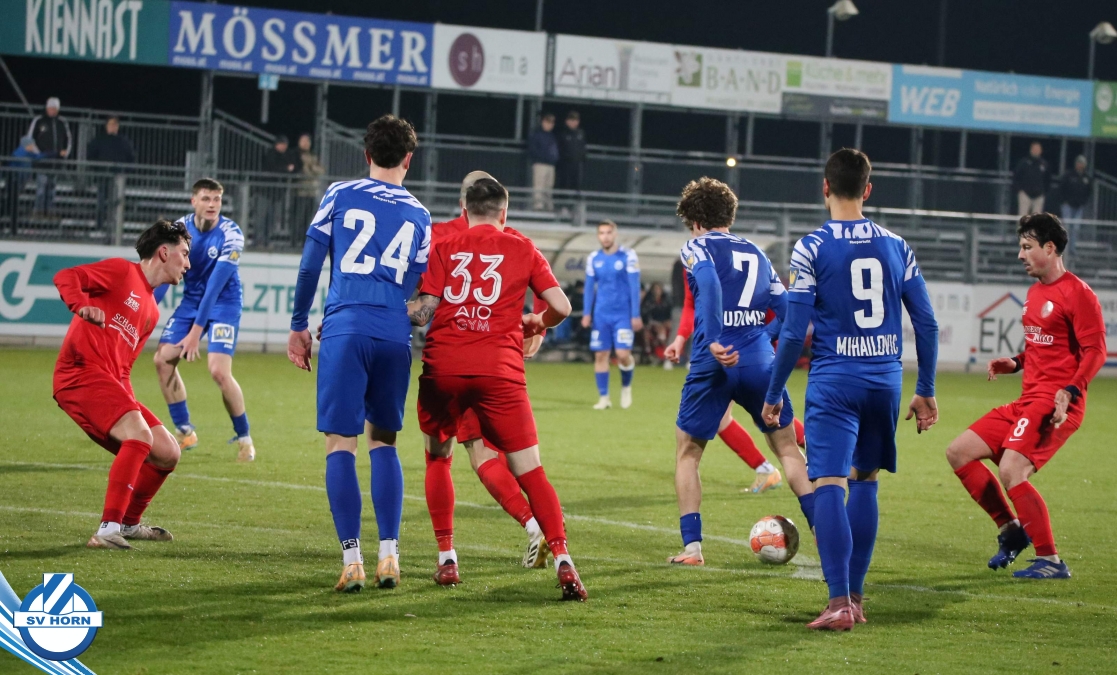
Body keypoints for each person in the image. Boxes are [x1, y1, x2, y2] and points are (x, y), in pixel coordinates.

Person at [763, 148, 939, 630]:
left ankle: (838, 601)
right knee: (865, 480)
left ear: (825, 187)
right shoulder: (897, 245)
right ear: (868, 189)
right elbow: (926, 322)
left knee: (828, 483)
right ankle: (856, 600)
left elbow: (794, 332)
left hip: (834, 380)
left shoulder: (811, 247)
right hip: (884, 380)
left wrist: (774, 392)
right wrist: (925, 387)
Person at [409, 176, 587, 601]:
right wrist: (537, 322)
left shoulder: (443, 244)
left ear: (464, 209)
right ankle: (564, 561)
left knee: (438, 458)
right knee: (531, 471)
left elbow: (423, 311)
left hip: (445, 367)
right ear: (504, 213)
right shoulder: (522, 246)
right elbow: (561, 307)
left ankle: (447, 559)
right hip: (499, 372)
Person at [287, 114, 432, 593]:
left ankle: (352, 561)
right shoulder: (420, 214)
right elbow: (417, 289)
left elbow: (310, 267)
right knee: (384, 443)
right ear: (408, 159)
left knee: (340, 445)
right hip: (393, 334)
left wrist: (299, 325)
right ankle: (390, 556)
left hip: (345, 328)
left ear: (367, 154)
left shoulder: (339, 193)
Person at [945, 213, 1105, 580]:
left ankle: (1051, 560)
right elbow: (1041, 347)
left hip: (1056, 403)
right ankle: (1012, 530)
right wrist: (1015, 362)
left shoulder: (1079, 294)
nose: (1021, 255)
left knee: (1011, 469)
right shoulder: (1034, 293)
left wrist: (1070, 391)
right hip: (1028, 399)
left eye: (1027, 247)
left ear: (1049, 248)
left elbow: (1095, 351)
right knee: (959, 452)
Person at [668, 177, 815, 567]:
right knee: (788, 450)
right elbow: (790, 312)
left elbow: (709, 284)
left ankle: (693, 548)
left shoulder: (696, 246)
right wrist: (763, 336)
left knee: (688, 454)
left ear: (695, 220)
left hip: (713, 362)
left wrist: (715, 337)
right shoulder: (757, 253)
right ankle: (824, 530)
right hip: (758, 361)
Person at [52, 220, 192, 549]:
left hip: (108, 381)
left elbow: (124, 368)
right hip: (79, 374)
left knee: (168, 452)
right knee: (139, 435)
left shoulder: (152, 310)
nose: (188, 263)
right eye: (184, 254)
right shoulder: (121, 272)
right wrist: (81, 305)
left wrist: (129, 404)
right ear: (164, 252)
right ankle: (107, 530)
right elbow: (66, 276)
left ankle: (128, 523)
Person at [665, 223, 808, 495]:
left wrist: (757, 334)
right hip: (749, 340)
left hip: (742, 340)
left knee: (767, 415)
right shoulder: (740, 251)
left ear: (697, 223)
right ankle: (770, 467)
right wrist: (681, 337)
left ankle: (792, 457)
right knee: (753, 414)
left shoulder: (700, 252)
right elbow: (692, 304)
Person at [153, 178, 255, 463]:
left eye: (217, 199)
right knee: (162, 360)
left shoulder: (232, 234)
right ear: (193, 201)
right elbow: (163, 275)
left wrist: (195, 335)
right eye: (206, 199)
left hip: (224, 303)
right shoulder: (179, 231)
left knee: (219, 372)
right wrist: (145, 312)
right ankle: (185, 431)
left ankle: (245, 439)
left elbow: (214, 287)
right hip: (192, 302)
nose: (212, 204)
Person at [582, 220, 642, 409]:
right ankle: (604, 398)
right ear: (598, 236)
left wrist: (635, 314)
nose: (605, 236)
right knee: (601, 355)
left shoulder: (628, 255)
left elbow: (634, 286)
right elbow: (589, 287)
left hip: (622, 314)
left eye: (608, 232)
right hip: (601, 315)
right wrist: (586, 313)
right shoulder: (594, 258)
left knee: (623, 354)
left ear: (615, 234)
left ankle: (626, 386)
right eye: (602, 233)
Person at [86, 116, 137, 232]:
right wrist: (97, 168)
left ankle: (114, 227)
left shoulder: (123, 141)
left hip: (117, 177)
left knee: (116, 203)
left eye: (115, 125)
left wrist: (124, 171)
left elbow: (131, 158)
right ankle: (100, 225)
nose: (112, 127)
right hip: (102, 175)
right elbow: (90, 155)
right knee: (101, 201)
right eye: (110, 124)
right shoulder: (99, 140)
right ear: (106, 126)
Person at [27, 97, 71, 215]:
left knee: (52, 189)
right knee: (41, 189)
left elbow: (68, 140)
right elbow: (30, 139)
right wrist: (38, 154)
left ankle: (49, 213)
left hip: (56, 163)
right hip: (42, 162)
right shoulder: (38, 120)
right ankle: (38, 213)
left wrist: (65, 153)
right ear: (46, 108)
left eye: (54, 108)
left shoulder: (62, 122)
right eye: (50, 107)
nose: (52, 110)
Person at [3, 136, 41, 233]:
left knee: (11, 202)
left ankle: (11, 226)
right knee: (11, 203)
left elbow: (39, 156)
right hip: (14, 181)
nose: (33, 146)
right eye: (32, 144)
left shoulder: (27, 153)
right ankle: (11, 227)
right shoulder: (19, 153)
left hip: (18, 181)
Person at [1058, 155, 1091, 251]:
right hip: (1067, 205)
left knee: (1075, 228)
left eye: (1082, 163)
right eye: (1079, 162)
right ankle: (1064, 248)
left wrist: (1083, 201)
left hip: (1079, 206)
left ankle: (1072, 249)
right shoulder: (1069, 175)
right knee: (1066, 227)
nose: (1080, 165)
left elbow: (1089, 191)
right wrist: (1064, 200)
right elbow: (1061, 188)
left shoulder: (1086, 178)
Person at [528, 113, 559, 211]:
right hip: (540, 164)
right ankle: (538, 206)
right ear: (543, 122)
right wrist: (542, 157)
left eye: (552, 123)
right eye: (548, 122)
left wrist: (554, 159)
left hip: (551, 165)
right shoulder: (536, 134)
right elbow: (533, 149)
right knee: (539, 186)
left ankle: (548, 206)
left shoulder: (552, 136)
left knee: (549, 187)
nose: (550, 125)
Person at [640, 282, 673, 365]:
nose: (657, 291)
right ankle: (650, 353)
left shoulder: (666, 300)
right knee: (650, 332)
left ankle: (665, 353)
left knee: (666, 330)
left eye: (659, 289)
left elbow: (668, 314)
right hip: (652, 323)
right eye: (655, 289)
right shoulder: (649, 301)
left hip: (664, 323)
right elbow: (646, 315)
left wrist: (667, 321)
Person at [1013, 141, 1048, 216]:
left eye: (1038, 149)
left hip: (1039, 195)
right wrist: (1020, 190)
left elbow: (1047, 179)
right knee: (1023, 217)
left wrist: (1043, 191)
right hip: (1025, 194)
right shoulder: (1023, 163)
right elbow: (1016, 177)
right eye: (1034, 149)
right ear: (1030, 150)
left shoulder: (1044, 164)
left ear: (1041, 151)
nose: (1036, 151)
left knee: (1037, 219)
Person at [558, 111, 586, 193]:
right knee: (565, 185)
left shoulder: (581, 133)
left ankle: (576, 200)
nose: (574, 122)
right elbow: (559, 149)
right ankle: (564, 200)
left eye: (576, 120)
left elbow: (583, 147)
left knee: (577, 186)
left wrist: (582, 157)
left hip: (578, 164)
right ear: (567, 121)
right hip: (565, 165)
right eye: (572, 120)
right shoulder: (562, 134)